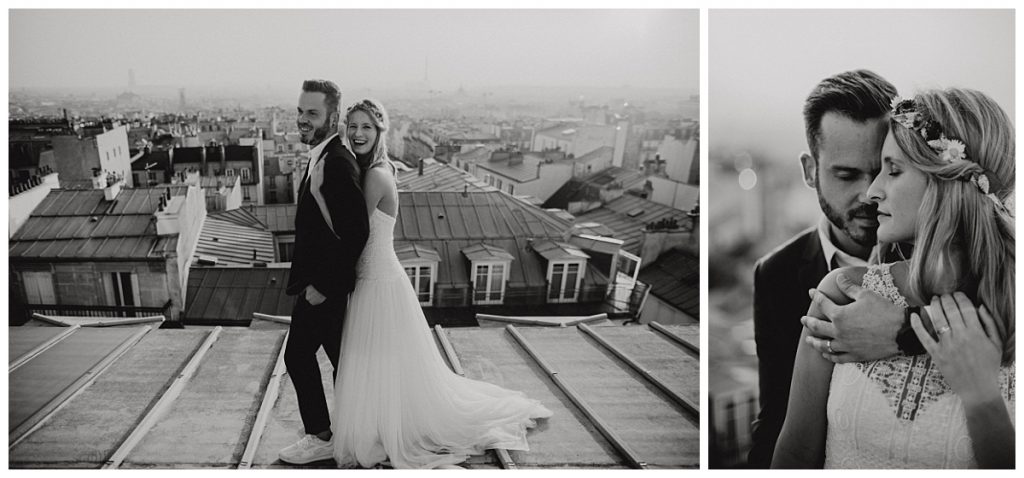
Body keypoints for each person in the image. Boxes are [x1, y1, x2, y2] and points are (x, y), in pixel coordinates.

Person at [773, 88, 1015, 468]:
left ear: (946, 181)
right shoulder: (841, 296)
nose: (872, 191)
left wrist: (982, 397)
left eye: (894, 170)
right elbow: (794, 454)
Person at [330, 99, 553, 469]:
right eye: (352, 125)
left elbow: (351, 231)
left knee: (379, 360)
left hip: (379, 281)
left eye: (366, 126)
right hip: (372, 278)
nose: (357, 133)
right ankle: (385, 425)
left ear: (381, 130)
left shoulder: (375, 176)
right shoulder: (370, 169)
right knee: (381, 362)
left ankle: (388, 428)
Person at [748, 70, 899, 467]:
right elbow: (777, 410)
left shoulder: (945, 256)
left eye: (884, 170)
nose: (870, 193)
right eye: (847, 175)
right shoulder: (775, 273)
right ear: (810, 170)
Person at [279, 79, 369, 465]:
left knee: (299, 357)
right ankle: (354, 432)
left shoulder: (335, 162)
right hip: (321, 285)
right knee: (341, 362)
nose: (302, 119)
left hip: (323, 288)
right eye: (300, 111)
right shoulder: (324, 154)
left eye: (312, 113)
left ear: (333, 117)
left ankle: (322, 437)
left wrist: (323, 286)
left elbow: (356, 233)